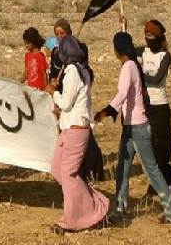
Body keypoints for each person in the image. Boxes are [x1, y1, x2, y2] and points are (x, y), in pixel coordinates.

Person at [95, 32, 171, 225]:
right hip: (131, 127)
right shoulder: (134, 64)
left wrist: (107, 110)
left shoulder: (129, 66)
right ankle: (120, 210)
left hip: (137, 128)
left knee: (151, 170)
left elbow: (123, 93)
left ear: (117, 50)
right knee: (122, 170)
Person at [45, 35, 109, 233]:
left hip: (75, 129)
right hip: (70, 128)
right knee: (58, 169)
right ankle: (94, 204)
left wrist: (52, 92)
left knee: (69, 175)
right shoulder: (81, 70)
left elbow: (66, 103)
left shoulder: (73, 71)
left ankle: (73, 220)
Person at [49, 18, 104, 182]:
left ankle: (92, 170)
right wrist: (53, 81)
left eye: (62, 33)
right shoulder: (56, 52)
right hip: (61, 93)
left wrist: (59, 93)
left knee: (83, 139)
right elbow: (53, 71)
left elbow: (82, 71)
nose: (59, 37)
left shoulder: (79, 52)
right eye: (56, 34)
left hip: (74, 96)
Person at [137, 20, 171, 194]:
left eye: (151, 36)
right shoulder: (144, 51)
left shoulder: (165, 56)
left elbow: (156, 80)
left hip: (160, 107)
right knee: (152, 147)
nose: (148, 39)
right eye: (146, 35)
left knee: (163, 147)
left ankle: (161, 181)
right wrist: (123, 28)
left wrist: (139, 76)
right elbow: (128, 51)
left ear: (159, 37)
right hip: (147, 106)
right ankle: (170, 177)